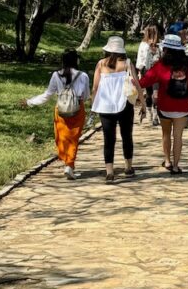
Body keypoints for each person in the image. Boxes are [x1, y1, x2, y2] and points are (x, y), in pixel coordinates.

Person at [21, 49, 91, 179]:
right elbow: (86, 96)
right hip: (78, 109)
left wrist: (30, 102)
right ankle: (69, 165)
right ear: (76, 60)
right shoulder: (83, 76)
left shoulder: (56, 75)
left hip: (60, 110)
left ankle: (68, 163)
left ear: (63, 61)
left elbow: (47, 95)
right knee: (73, 138)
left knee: (62, 137)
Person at [139, 34, 188, 174]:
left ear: (165, 49)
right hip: (183, 106)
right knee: (178, 136)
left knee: (166, 134)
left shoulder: (160, 65)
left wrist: (133, 82)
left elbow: (145, 81)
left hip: (165, 106)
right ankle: (176, 166)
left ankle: (168, 161)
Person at [92, 36, 145, 183]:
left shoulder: (100, 64)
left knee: (109, 139)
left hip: (105, 106)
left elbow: (95, 87)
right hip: (125, 105)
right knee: (126, 136)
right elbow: (137, 85)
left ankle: (110, 172)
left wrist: (93, 105)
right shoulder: (127, 64)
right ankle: (128, 167)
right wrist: (144, 105)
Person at [136, 24, 161, 126]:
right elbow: (140, 59)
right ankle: (150, 113)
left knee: (156, 93)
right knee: (149, 93)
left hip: (157, 71)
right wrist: (139, 71)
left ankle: (155, 115)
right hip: (146, 71)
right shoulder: (143, 45)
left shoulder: (160, 44)